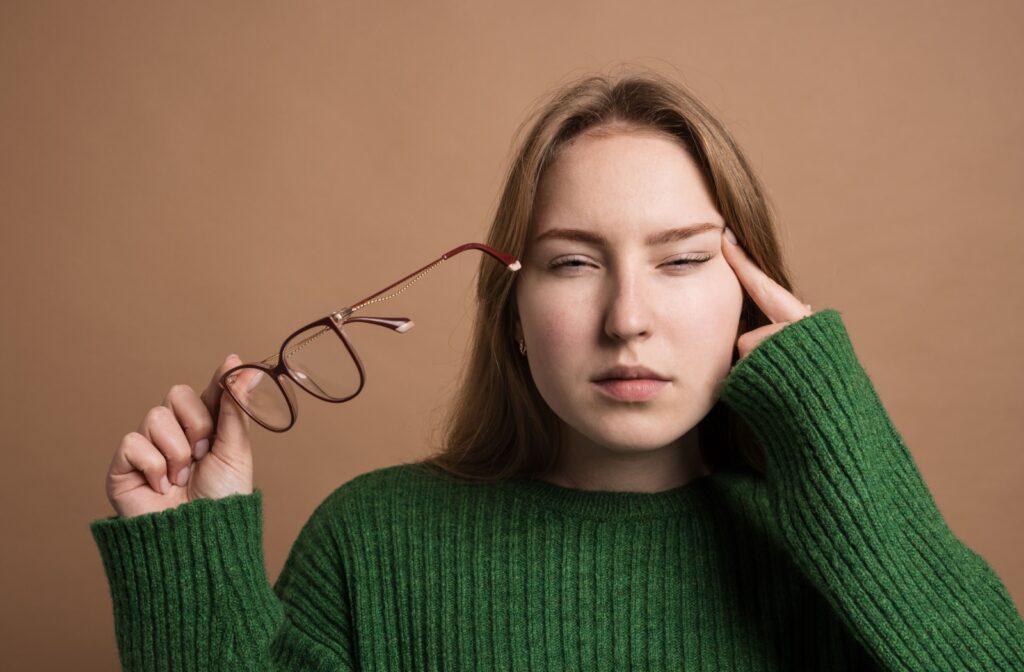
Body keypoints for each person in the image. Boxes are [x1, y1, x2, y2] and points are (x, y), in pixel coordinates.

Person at [91, 69, 1024, 670]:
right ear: (514, 308)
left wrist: (834, 439)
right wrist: (192, 563)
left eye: (684, 260)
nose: (627, 319)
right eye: (574, 263)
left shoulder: (828, 556)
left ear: (751, 295)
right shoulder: (371, 540)